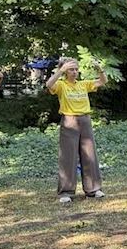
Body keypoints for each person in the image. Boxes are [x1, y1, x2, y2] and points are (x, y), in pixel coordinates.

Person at [46, 57, 107, 204]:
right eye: (71, 70)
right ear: (65, 71)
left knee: (89, 154)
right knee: (68, 156)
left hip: (85, 119)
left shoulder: (83, 84)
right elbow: (49, 84)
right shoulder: (61, 85)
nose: (74, 72)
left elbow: (102, 81)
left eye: (76, 69)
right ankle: (66, 192)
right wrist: (60, 70)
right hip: (69, 120)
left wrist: (99, 69)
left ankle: (93, 189)